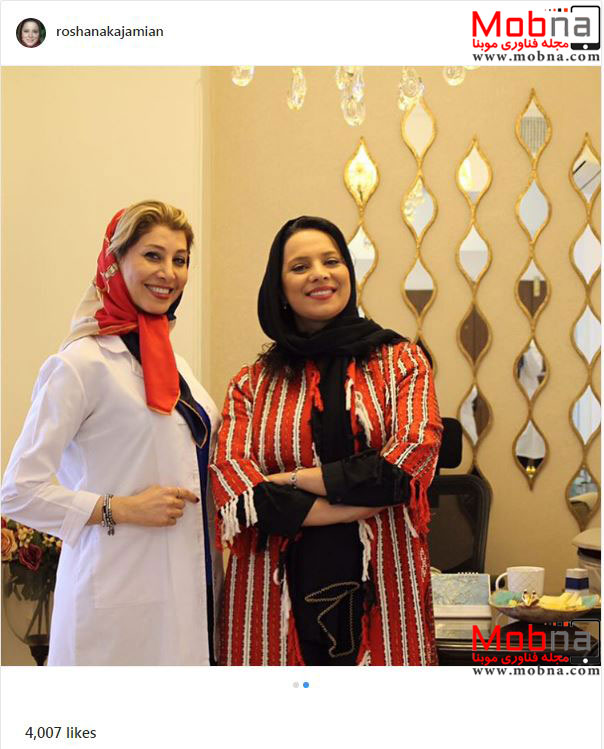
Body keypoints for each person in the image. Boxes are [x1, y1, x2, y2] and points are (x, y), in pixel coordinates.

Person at [210, 215, 442, 666]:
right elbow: (238, 494)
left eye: (331, 261)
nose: (319, 274)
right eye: (300, 266)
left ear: (348, 274)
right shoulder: (251, 384)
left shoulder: (402, 363)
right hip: (271, 597)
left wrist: (291, 480)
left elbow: (404, 469)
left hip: (383, 587)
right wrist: (350, 506)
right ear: (279, 289)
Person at [2, 201, 222, 665]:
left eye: (180, 259)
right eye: (152, 255)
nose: (169, 273)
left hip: (189, 583)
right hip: (118, 592)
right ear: (114, 262)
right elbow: (18, 492)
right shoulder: (80, 364)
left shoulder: (175, 365)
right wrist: (119, 508)